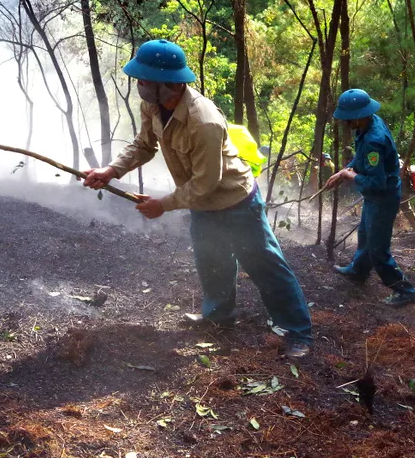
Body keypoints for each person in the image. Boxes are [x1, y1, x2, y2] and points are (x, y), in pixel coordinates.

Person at [81, 39, 312, 358]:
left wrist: (162, 204)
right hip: (202, 205)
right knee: (211, 260)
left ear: (167, 85)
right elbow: (144, 145)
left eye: (143, 80)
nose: (139, 85)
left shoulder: (203, 121)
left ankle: (297, 331)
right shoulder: (153, 105)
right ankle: (218, 316)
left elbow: (206, 182)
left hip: (236, 203)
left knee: (264, 265)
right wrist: (110, 170)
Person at [325, 89, 415, 307]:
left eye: (348, 119)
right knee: (365, 235)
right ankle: (358, 270)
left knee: (378, 249)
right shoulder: (368, 124)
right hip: (375, 197)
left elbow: (377, 182)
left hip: (383, 198)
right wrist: (344, 170)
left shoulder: (375, 139)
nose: (345, 123)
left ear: (359, 116)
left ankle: (404, 290)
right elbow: (361, 157)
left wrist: (349, 174)